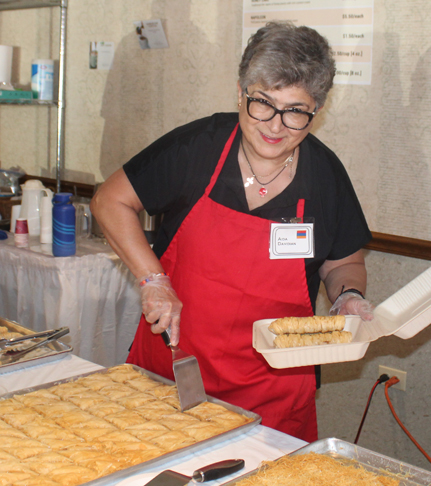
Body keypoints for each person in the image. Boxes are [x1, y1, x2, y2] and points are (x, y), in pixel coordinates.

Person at [90, 21, 373, 442]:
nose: (275, 126)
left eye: (295, 111)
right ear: (241, 93)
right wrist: (153, 279)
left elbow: (344, 262)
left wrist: (348, 294)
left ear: (316, 112)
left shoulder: (326, 176)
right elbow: (109, 201)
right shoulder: (197, 148)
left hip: (274, 395)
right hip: (172, 376)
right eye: (262, 102)